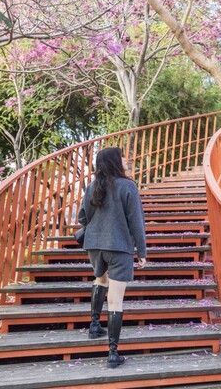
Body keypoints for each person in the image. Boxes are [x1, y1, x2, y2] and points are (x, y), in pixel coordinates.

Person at [78, 146, 147, 368]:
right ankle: (113, 354)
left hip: (95, 246)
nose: (126, 159)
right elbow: (136, 222)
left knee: (100, 280)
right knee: (115, 300)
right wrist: (142, 252)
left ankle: (94, 326)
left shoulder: (91, 187)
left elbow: (82, 216)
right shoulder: (128, 187)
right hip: (119, 247)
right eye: (122, 156)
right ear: (115, 161)